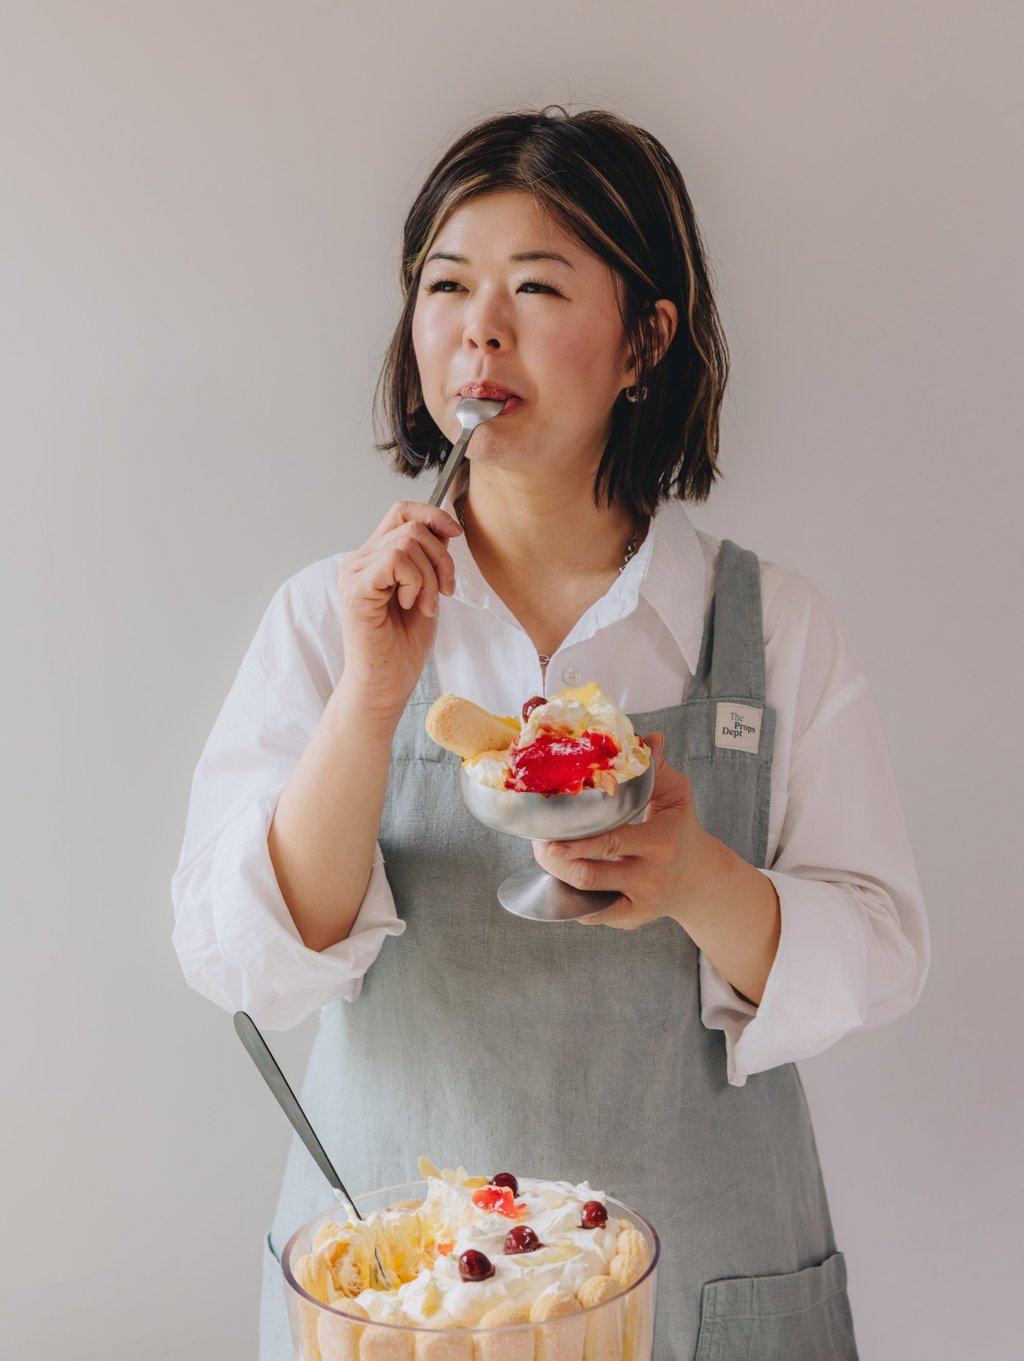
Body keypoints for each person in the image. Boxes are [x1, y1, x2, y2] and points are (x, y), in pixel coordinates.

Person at [171, 107, 928, 1360]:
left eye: (535, 285)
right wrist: (372, 697)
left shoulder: (768, 623)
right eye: (447, 285)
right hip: (398, 1297)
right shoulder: (328, 617)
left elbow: (882, 944)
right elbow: (246, 958)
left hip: (704, 1287)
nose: (480, 327)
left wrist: (697, 877)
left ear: (646, 338)